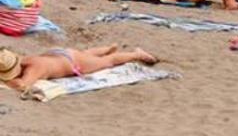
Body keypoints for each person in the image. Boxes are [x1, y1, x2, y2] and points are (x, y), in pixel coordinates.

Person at [0, 45, 158, 92]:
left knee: (109, 61)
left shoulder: (34, 68)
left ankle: (137, 54)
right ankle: (106, 48)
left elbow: (22, 85)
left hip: (71, 62)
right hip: (61, 55)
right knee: (87, 56)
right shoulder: (23, 60)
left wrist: (8, 82)